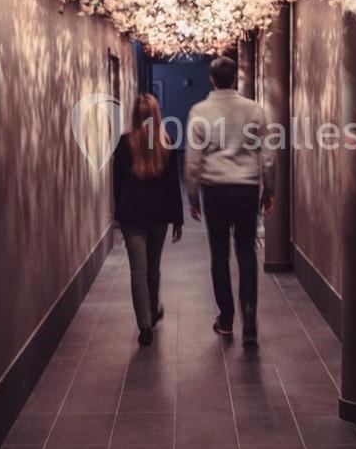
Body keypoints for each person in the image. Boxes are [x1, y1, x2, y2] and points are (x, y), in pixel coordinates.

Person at [185, 56, 275, 345]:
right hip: (247, 187)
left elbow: (192, 159)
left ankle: (226, 318)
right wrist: (268, 190)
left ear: (211, 79)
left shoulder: (200, 111)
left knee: (220, 254)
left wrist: (192, 195)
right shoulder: (254, 110)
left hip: (215, 188)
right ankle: (249, 311)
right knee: (246, 251)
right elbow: (268, 155)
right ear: (235, 77)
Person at [113, 93, 184, 346]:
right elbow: (173, 186)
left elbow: (117, 184)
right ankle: (152, 312)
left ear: (134, 115)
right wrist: (178, 219)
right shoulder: (166, 143)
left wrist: (117, 215)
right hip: (158, 215)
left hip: (132, 214)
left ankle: (144, 324)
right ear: (156, 115)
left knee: (138, 270)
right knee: (153, 267)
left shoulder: (123, 144)